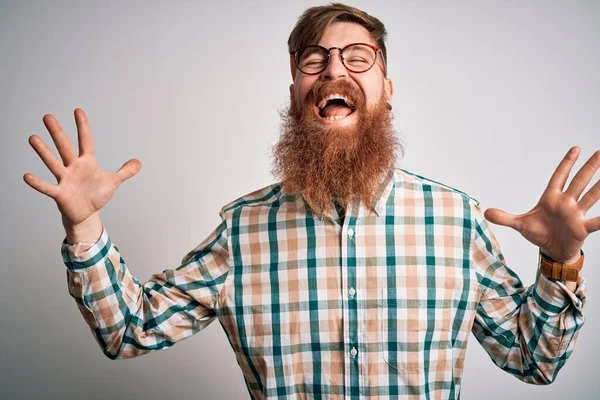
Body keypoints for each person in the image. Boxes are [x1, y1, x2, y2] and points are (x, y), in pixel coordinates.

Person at [24, 3, 597, 399]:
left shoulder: (455, 221)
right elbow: (130, 330)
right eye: (313, 59)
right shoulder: (243, 232)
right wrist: (85, 223)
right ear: (297, 92)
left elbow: (533, 359)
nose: (333, 70)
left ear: (386, 91)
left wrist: (561, 262)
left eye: (357, 57)